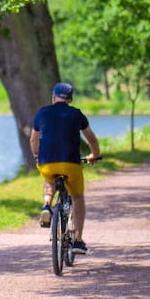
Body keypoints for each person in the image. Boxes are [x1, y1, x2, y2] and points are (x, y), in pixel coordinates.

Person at [30, 82, 101, 254]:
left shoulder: (42, 113)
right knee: (77, 198)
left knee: (49, 179)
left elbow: (33, 140)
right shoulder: (76, 114)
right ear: (70, 99)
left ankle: (47, 205)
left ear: (53, 97)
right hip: (71, 163)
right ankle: (78, 240)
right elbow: (91, 138)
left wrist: (36, 156)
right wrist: (95, 155)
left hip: (48, 163)